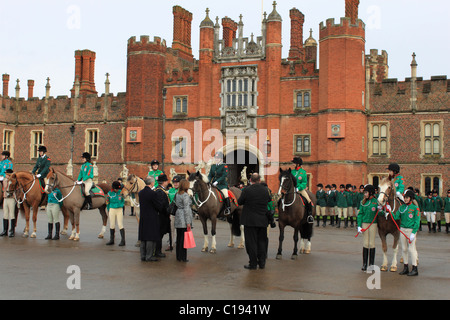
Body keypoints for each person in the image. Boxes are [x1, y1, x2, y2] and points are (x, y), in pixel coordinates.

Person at [238, 173, 272, 270]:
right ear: (259, 180)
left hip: (250, 220)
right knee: (262, 242)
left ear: (250, 180)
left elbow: (239, 202)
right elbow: (269, 199)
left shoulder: (247, 190)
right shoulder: (265, 190)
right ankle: (262, 263)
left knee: (251, 243)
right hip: (262, 220)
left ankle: (253, 263)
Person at [395, 189, 420, 276]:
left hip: (410, 230)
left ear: (411, 198)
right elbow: (396, 217)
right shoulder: (401, 208)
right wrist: (389, 211)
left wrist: (414, 232)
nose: (405, 199)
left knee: (411, 249)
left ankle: (414, 268)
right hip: (402, 229)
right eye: (405, 197)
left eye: (407, 198)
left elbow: (417, 221)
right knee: (404, 249)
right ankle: (405, 267)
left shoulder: (415, 208)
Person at [138, 176, 163, 262]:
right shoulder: (153, 194)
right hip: (152, 217)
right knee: (151, 238)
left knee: (143, 237)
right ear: (152, 183)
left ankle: (143, 255)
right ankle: (149, 256)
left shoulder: (140, 193)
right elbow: (159, 206)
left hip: (143, 217)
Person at [357, 184, 379, 271]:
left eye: (366, 192)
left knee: (371, 243)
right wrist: (359, 226)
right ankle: (365, 264)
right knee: (365, 243)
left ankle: (371, 264)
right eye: (364, 192)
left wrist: (381, 209)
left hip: (373, 224)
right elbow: (360, 214)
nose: (364, 194)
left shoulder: (376, 202)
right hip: (365, 224)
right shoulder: (362, 202)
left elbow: (379, 214)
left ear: (370, 193)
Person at [174, 179, 193, 262]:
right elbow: (186, 209)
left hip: (178, 215)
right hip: (183, 218)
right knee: (183, 239)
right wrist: (188, 222)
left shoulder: (177, 194)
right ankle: (183, 257)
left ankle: (178, 256)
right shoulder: (185, 195)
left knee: (178, 238)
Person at [208, 151, 230, 216]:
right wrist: (208, 181)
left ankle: (228, 208)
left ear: (221, 159)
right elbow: (210, 175)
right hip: (213, 184)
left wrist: (217, 181)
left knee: (226, 195)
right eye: (216, 158)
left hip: (222, 185)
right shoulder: (213, 166)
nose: (216, 159)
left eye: (218, 158)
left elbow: (224, 176)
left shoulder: (224, 166)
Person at [291, 157, 313, 223]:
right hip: (291, 189)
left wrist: (298, 188)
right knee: (281, 198)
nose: (292, 164)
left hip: (300, 189)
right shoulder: (292, 171)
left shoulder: (303, 172)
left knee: (308, 200)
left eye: (294, 163)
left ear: (298, 164)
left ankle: (310, 216)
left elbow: (304, 183)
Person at [154, 174, 171, 258]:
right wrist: (168, 210)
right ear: (164, 182)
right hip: (161, 217)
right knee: (159, 234)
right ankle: (157, 251)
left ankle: (157, 250)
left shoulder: (159, 190)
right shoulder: (160, 191)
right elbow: (161, 206)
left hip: (161, 216)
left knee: (160, 234)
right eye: (166, 181)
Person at [106, 181, 126, 246]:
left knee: (120, 225)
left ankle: (123, 240)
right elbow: (107, 202)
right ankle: (112, 240)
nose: (117, 190)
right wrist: (108, 209)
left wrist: (121, 205)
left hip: (119, 209)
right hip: (112, 209)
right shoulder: (109, 193)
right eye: (116, 189)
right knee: (112, 224)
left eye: (118, 189)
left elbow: (123, 201)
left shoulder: (120, 193)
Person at [167, 175, 182, 251]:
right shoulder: (170, 191)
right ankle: (170, 244)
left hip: (180, 213)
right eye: (174, 182)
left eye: (177, 182)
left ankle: (180, 243)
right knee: (171, 229)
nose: (175, 184)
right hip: (173, 212)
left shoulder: (182, 190)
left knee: (180, 229)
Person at [1, 169, 16, 237]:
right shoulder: (4, 180)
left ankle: (12, 231)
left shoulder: (13, 180)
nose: (6, 175)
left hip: (11, 198)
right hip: (5, 198)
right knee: (5, 215)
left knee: (12, 215)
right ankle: (5, 231)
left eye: (7, 174)